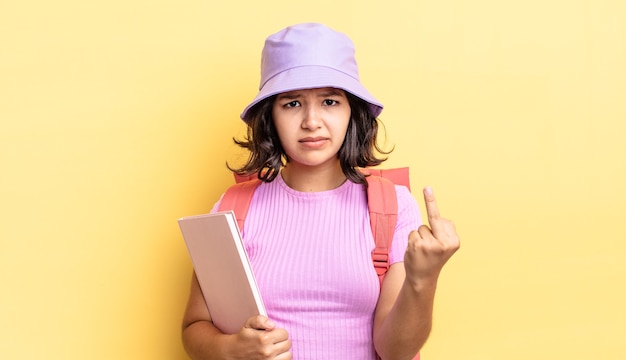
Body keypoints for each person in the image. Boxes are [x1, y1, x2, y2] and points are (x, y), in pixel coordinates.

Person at [181, 23, 460, 360]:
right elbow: (195, 327)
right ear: (270, 115)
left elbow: (395, 352)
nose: (312, 121)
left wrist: (422, 279)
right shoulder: (233, 208)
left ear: (351, 112)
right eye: (292, 104)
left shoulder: (393, 206)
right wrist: (231, 349)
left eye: (330, 101)